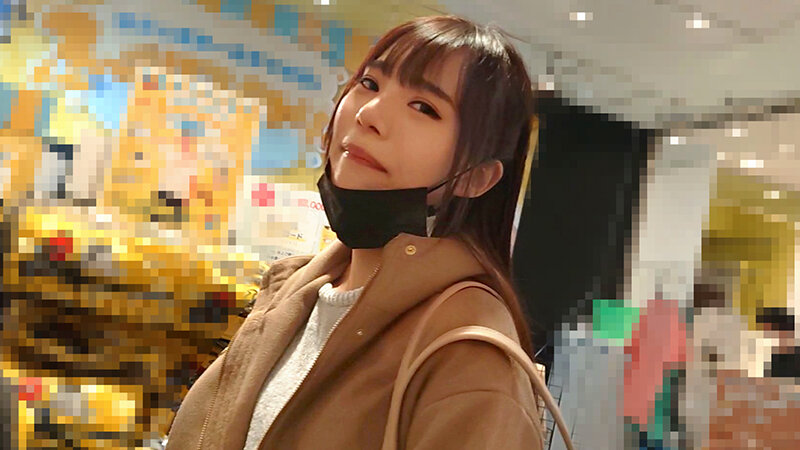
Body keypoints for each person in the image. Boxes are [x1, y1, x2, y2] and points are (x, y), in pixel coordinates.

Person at [165, 14, 542, 449]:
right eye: (370, 83)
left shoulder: (470, 361)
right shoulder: (295, 290)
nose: (369, 114)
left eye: (424, 107)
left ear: (475, 178)